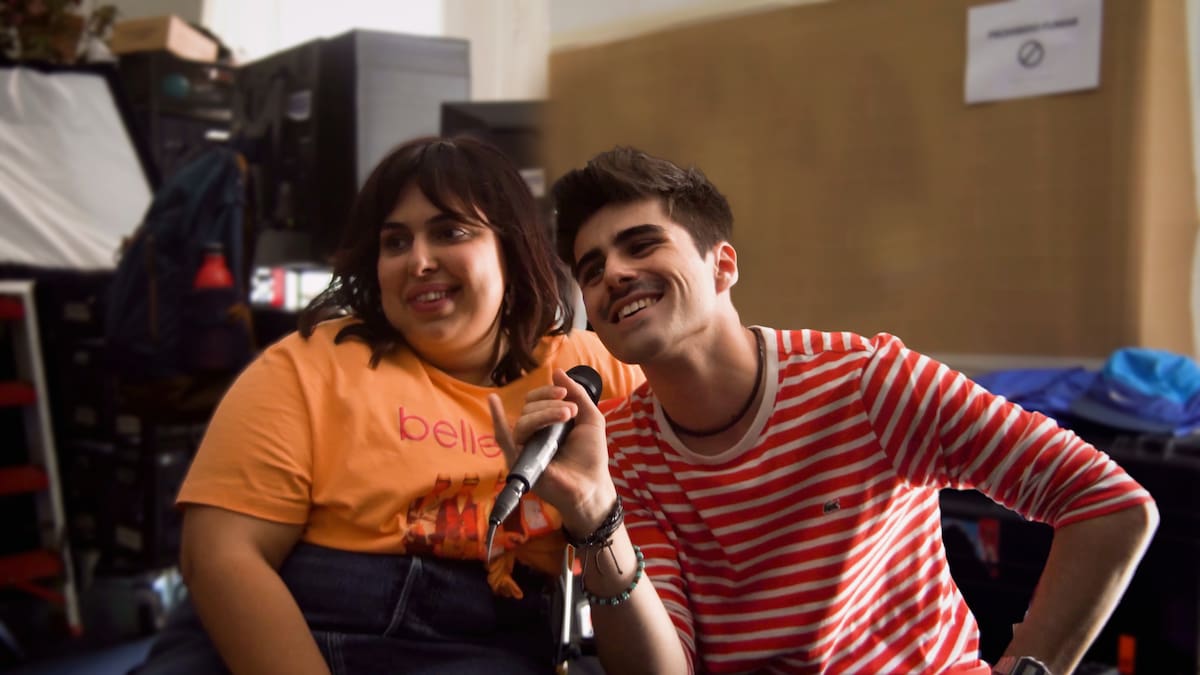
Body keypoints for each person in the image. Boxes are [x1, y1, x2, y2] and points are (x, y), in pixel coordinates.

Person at [491, 146, 1159, 675]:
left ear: (723, 266)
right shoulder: (623, 448)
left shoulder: (869, 381)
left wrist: (1029, 668)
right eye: (591, 268)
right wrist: (595, 516)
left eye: (641, 245)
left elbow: (1108, 503)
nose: (612, 274)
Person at [136, 136, 644, 675]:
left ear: (511, 250)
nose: (418, 261)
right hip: (288, 615)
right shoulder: (309, 364)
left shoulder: (591, 370)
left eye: (449, 232)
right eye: (396, 242)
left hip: (485, 639)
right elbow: (221, 556)